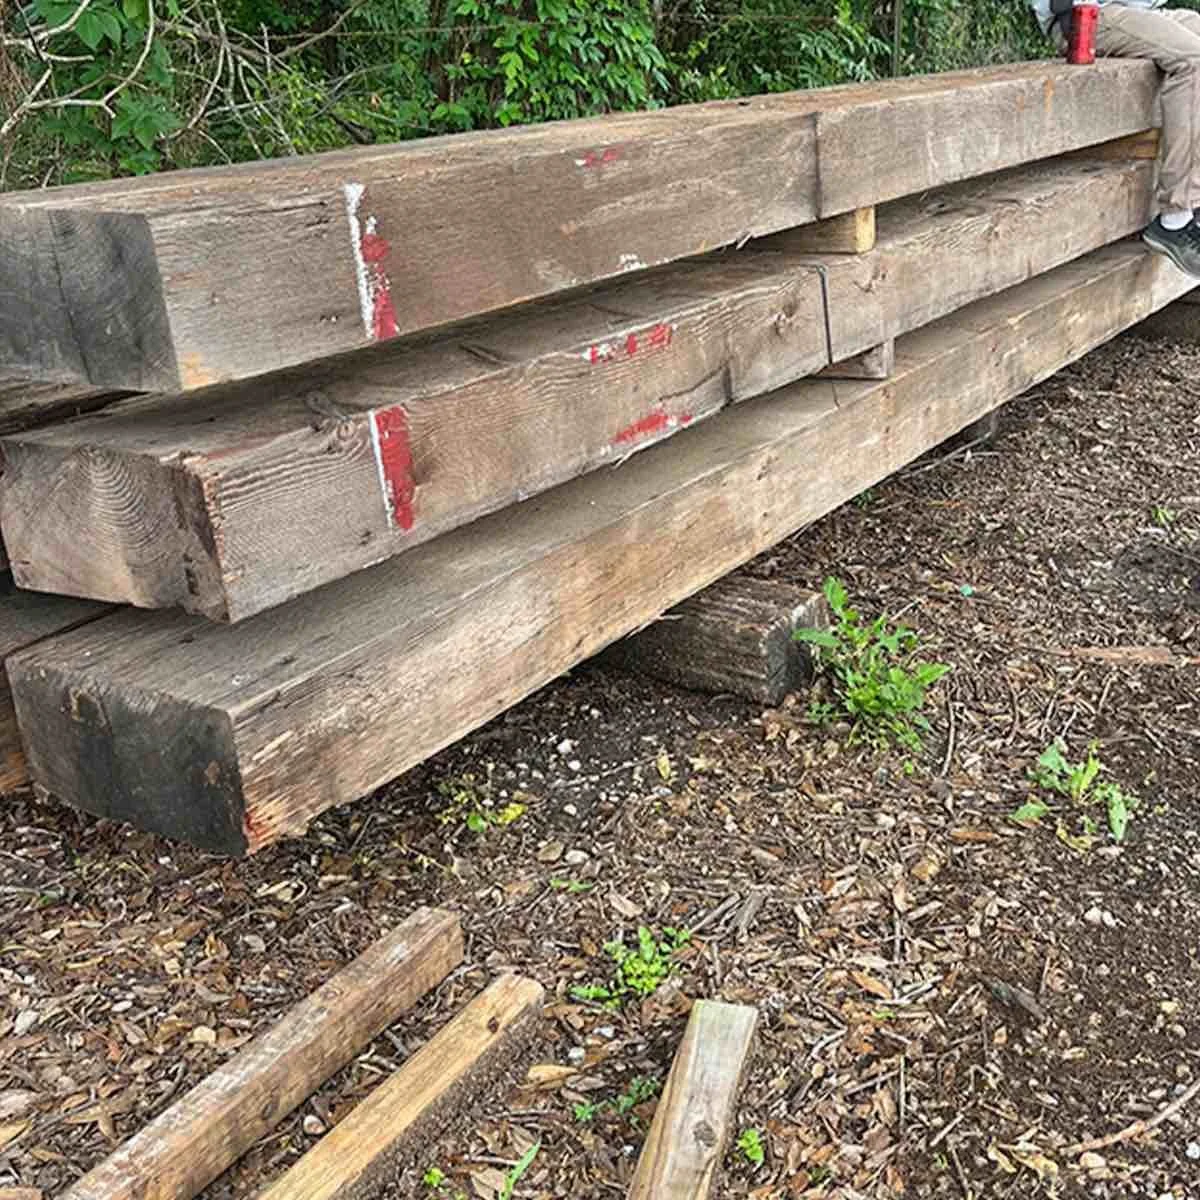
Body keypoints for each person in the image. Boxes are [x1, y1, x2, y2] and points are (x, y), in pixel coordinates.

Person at [1031, 0, 1200, 276]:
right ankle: (1175, 220)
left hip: (1139, 12)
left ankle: (1197, 208)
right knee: (1195, 60)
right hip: (1086, 15)